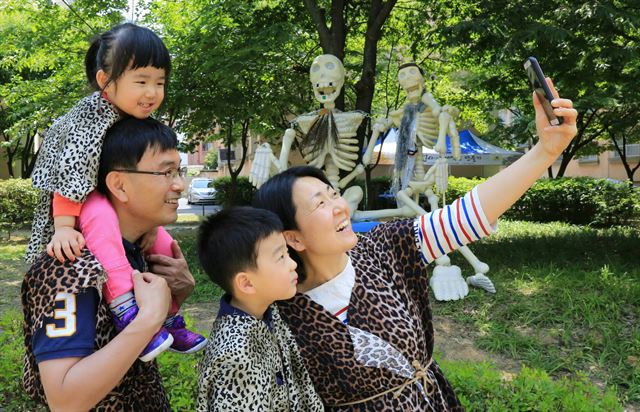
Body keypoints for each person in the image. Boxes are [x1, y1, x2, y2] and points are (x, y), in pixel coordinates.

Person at [252, 79, 578, 410]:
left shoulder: (384, 248)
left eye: (333, 194)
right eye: (320, 204)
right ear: (293, 237)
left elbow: (467, 214)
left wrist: (544, 151)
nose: (338, 206)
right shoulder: (280, 310)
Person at [26, 22, 205, 359]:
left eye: (160, 82)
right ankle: (125, 309)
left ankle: (168, 318)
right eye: (141, 81)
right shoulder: (89, 118)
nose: (152, 93)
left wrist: (151, 226)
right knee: (102, 217)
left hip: (100, 194)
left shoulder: (131, 115)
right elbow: (71, 172)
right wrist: (63, 227)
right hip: (73, 204)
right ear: (104, 81)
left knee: (164, 241)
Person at [22, 117, 197, 410]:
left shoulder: (137, 249)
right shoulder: (69, 266)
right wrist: (148, 320)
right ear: (119, 184)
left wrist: (179, 294)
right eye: (167, 172)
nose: (180, 185)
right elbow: (64, 401)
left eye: (179, 171)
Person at [196, 207, 324, 411]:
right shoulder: (234, 355)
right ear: (246, 283)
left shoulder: (269, 313)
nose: (292, 264)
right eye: (280, 257)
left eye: (287, 252)